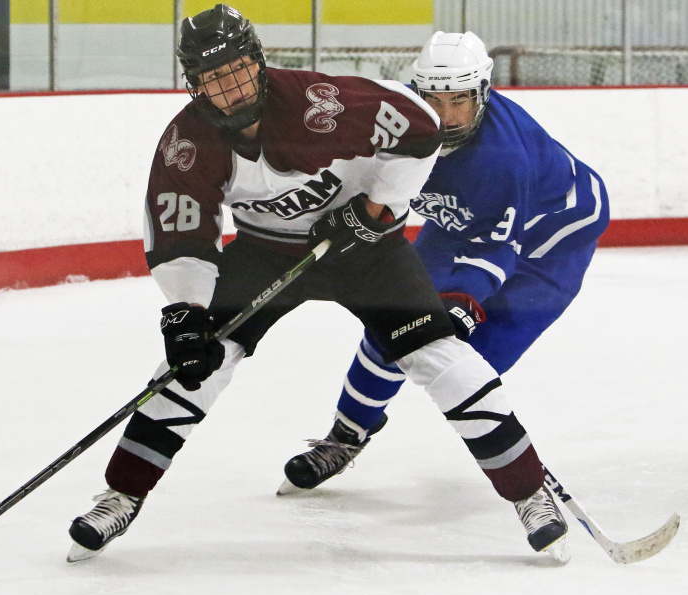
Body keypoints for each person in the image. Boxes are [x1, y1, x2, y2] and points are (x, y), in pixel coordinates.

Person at [67, 6, 568, 565]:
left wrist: (377, 210)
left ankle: (530, 493)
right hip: (264, 253)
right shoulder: (188, 143)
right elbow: (182, 231)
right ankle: (122, 494)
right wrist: (186, 310)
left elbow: (421, 127)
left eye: (236, 71)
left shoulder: (319, 102)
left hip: (365, 250)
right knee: (196, 362)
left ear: (257, 63)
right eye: (212, 79)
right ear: (193, 83)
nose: (229, 89)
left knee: (438, 355)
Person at [280, 30, 609, 555]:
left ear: (482, 93)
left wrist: (461, 306)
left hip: (550, 249)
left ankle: (526, 488)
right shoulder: (400, 120)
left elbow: (499, 250)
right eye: (434, 98)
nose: (446, 114)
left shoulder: (503, 158)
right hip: (464, 223)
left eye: (459, 101)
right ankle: (344, 438)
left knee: (465, 365)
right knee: (393, 327)